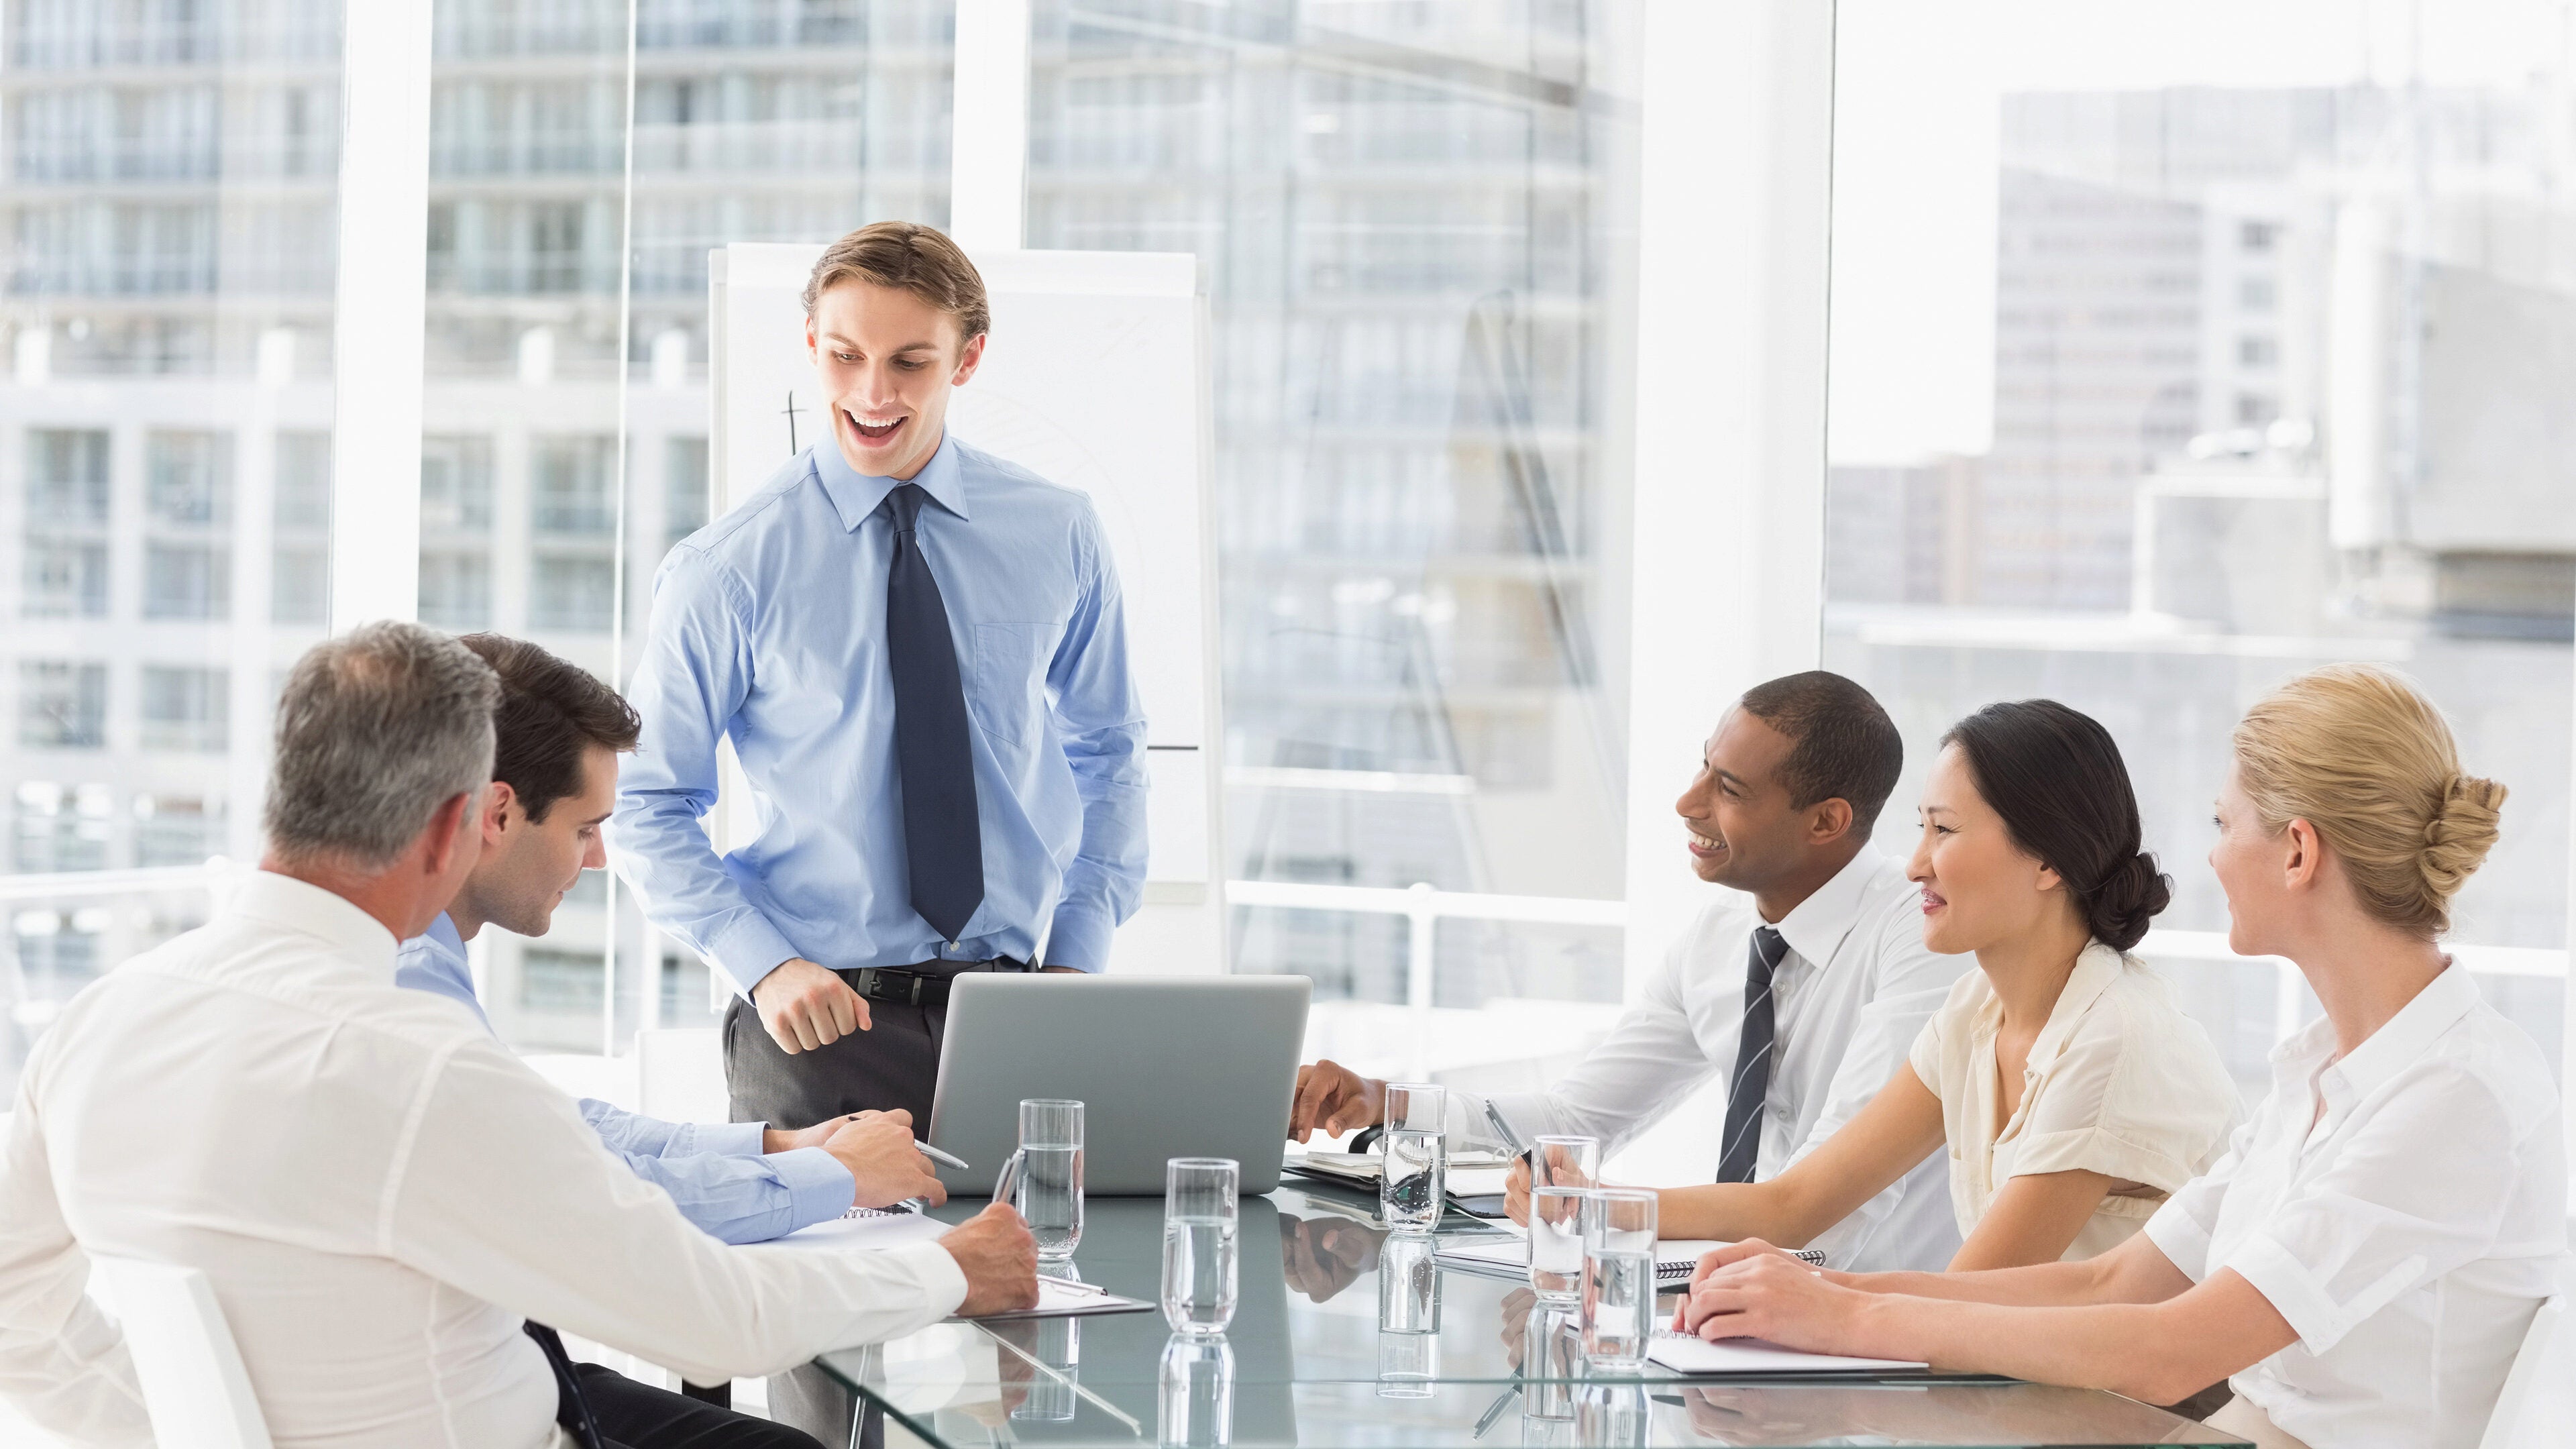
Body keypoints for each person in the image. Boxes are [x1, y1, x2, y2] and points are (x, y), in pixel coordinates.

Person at [0, 623, 1038, 1449]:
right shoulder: (418, 1066)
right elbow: (715, 1319)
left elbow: (15, 1313)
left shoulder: (99, 1020)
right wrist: (955, 1269)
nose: (592, 861)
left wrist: (198, 1428)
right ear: (465, 824)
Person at [1678, 664, 2566, 1449]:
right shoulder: (2321, 1075)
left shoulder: (2455, 1094)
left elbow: (2168, 1351)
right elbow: (2113, 1284)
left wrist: (1845, 1316)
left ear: (2298, 851)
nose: (2212, 857)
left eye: (2225, 823)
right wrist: (1813, 1292)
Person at [613, 219, 1146, 1137]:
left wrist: (1078, 957)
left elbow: (1111, 752)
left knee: (1042, 1278)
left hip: (1022, 1017)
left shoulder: (1057, 532)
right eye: (844, 356)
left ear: (968, 359)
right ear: (811, 348)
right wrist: (763, 962)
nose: (872, 393)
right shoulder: (727, 569)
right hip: (820, 1026)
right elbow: (644, 800)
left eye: (909, 362)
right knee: (827, 1280)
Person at [1289, 671, 1974, 1272]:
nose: (1688, 801)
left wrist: (1597, 1208)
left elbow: (1809, 1208)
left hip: (1880, 1336)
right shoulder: (1720, 938)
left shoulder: (1921, 937)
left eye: (1728, 788)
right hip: (1740, 1308)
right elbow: (1573, 1118)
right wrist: (1387, 1102)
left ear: (1826, 822)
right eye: (1703, 767)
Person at [1638, 699, 2237, 1271]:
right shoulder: (1975, 1012)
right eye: (1920, 828)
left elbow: (1974, 1299)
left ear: (2049, 861)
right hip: (2021, 1370)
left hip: (2113, 1379)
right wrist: (1587, 1203)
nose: (1914, 864)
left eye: (1944, 831)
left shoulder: (2111, 1037)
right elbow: (1792, 1206)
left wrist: (1798, 1296)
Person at [397, 632, 903, 1254]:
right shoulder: (406, 985)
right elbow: (591, 1195)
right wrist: (839, 1176)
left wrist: (781, 1147)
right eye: (585, 829)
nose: (600, 858)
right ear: (498, 814)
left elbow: (545, 1124)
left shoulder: (412, 953)